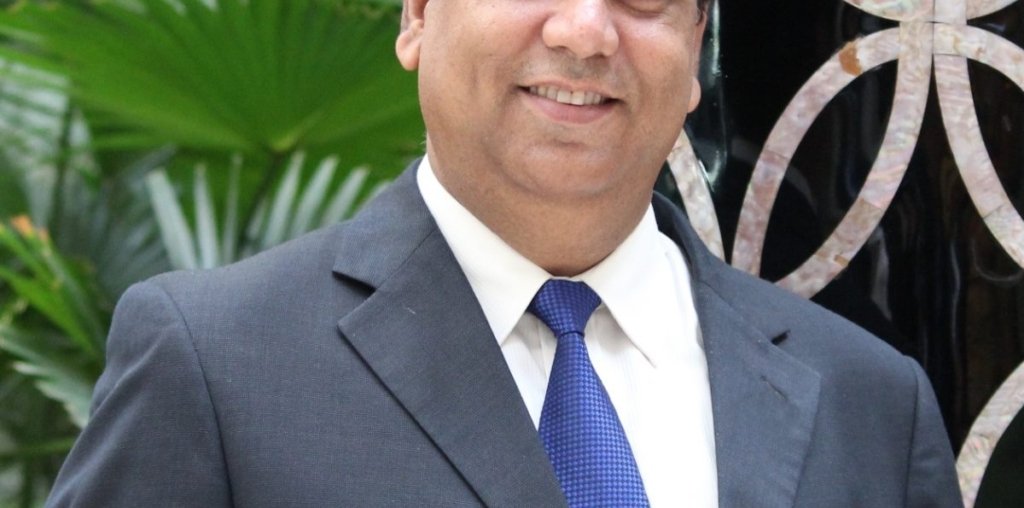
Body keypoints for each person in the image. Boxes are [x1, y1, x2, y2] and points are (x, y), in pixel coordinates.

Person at [48, 0, 963, 506]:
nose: (585, 31)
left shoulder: (870, 404)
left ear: (695, 54)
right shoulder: (217, 366)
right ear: (416, 17)